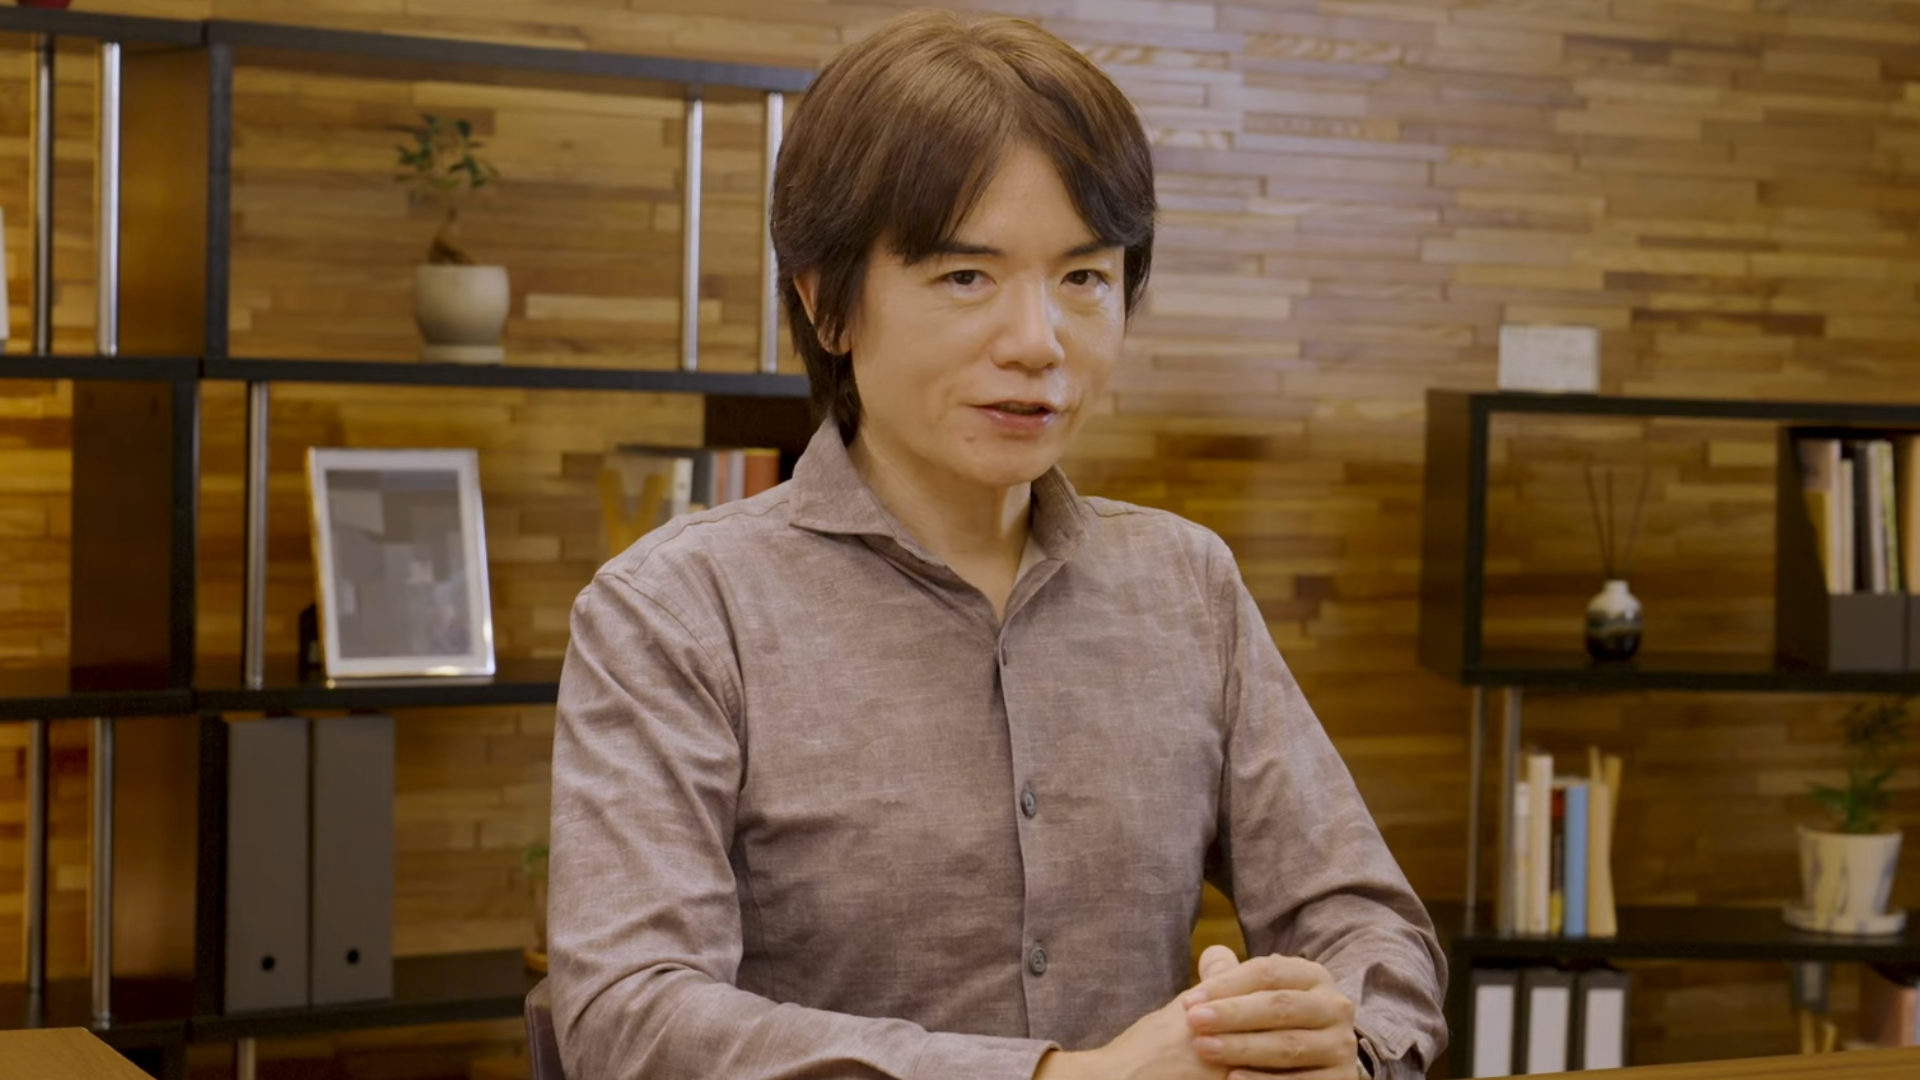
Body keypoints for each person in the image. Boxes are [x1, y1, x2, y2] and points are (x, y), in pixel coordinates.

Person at [547, 10, 1446, 1079]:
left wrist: (1340, 1042)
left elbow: (1365, 920)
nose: (1037, 343)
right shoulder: (677, 610)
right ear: (829, 306)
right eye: (965, 277)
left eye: (1085, 278)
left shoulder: (1185, 583)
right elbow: (629, 1016)